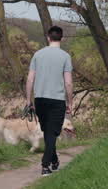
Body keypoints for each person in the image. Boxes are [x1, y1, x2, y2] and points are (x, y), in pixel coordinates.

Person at [24, 25, 72, 176]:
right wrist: (70, 102)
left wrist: (28, 99)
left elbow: (30, 79)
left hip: (40, 99)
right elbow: (68, 83)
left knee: (48, 132)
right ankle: (45, 165)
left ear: (48, 37)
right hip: (57, 99)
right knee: (51, 133)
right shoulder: (65, 56)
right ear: (61, 38)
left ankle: (55, 160)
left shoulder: (37, 55)